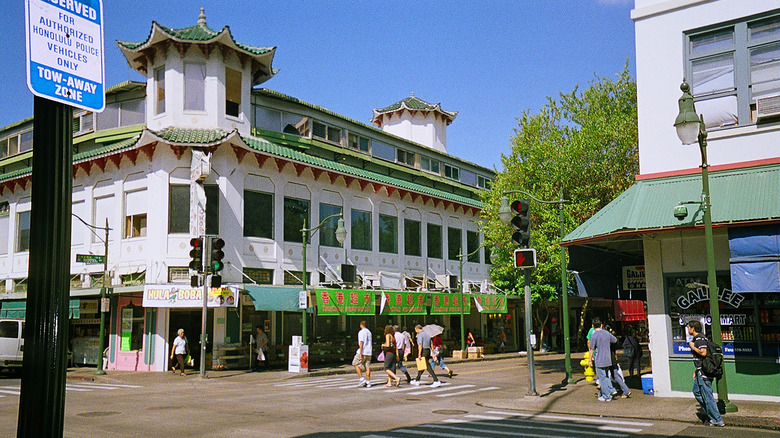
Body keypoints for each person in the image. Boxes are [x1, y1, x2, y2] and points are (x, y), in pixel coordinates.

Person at [688, 320, 725, 427]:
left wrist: (693, 347)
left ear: (693, 328)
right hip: (700, 371)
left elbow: (703, 353)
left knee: (707, 396)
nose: (688, 329)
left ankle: (717, 419)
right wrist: (696, 370)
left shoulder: (699, 339)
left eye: (689, 327)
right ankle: (711, 413)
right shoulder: (700, 338)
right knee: (697, 392)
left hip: (704, 373)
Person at [589, 318, 617, 401]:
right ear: (601, 324)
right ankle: (612, 390)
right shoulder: (606, 333)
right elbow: (614, 340)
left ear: (593, 325)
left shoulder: (594, 335)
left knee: (602, 378)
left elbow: (591, 348)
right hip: (608, 359)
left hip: (599, 360)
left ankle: (606, 396)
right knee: (605, 376)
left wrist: (590, 360)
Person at [606, 326, 631, 398]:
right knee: (615, 375)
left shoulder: (605, 339)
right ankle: (626, 390)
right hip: (613, 358)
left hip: (606, 359)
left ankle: (607, 392)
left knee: (604, 376)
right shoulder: (612, 339)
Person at [352, 320, 372, 387]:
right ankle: (368, 381)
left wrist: (360, 353)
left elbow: (361, 342)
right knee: (367, 366)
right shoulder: (369, 332)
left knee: (355, 363)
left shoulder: (361, 332)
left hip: (363, 351)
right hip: (369, 352)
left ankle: (361, 378)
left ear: (361, 325)